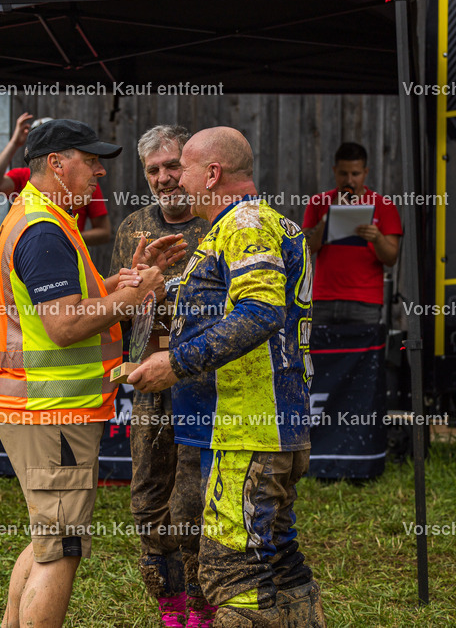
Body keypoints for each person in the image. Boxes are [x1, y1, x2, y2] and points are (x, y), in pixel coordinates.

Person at [0, 118, 186, 628]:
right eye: (91, 159)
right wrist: (137, 294)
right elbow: (63, 324)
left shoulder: (43, 217)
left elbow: (62, 302)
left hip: (44, 410)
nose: (101, 170)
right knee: (63, 548)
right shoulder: (44, 230)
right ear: (57, 164)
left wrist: (114, 280)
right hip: (53, 412)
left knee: (46, 538)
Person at [130, 127, 325, 628]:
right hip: (264, 427)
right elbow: (221, 310)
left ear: (212, 173)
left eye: (184, 170)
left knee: (230, 570)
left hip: (249, 430)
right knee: (278, 560)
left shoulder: (245, 224)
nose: (175, 181)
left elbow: (260, 311)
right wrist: (152, 283)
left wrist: (173, 363)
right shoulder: (258, 226)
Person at [108, 125, 214, 627]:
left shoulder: (218, 224)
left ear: (191, 167)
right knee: (148, 495)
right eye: (153, 170)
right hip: (149, 381)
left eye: (172, 166)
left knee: (193, 499)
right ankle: (169, 607)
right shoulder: (133, 226)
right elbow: (120, 311)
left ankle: (201, 603)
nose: (165, 178)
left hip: (201, 382)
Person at [301, 142, 402, 325]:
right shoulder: (318, 202)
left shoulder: (383, 205)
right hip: (324, 298)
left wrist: (377, 238)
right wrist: (327, 219)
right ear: (334, 171)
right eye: (343, 174)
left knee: (362, 353)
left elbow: (391, 258)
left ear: (365, 172)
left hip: (365, 300)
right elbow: (304, 249)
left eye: (355, 174)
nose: (349, 181)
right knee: (322, 353)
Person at [0, 112, 111, 245]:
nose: (101, 171)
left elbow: (103, 231)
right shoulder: (24, 177)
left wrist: (65, 237)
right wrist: (14, 143)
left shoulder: (86, 182)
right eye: (90, 160)